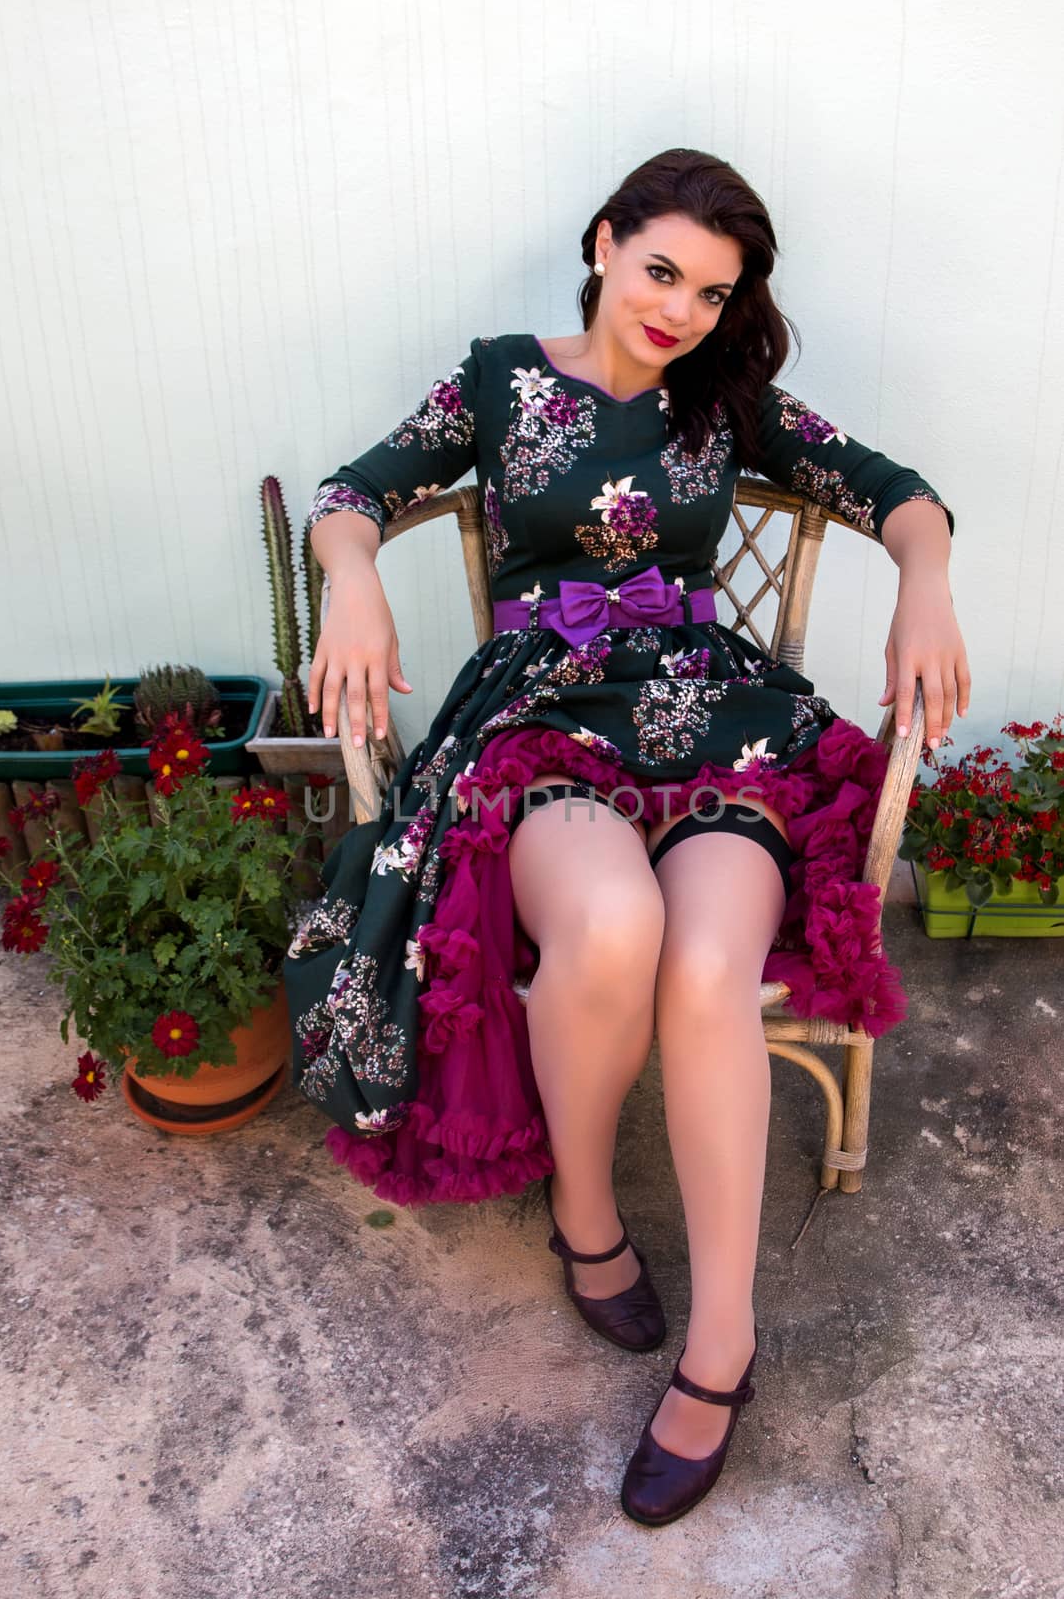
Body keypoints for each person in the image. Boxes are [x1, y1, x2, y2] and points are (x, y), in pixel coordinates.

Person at [282, 148, 969, 1525]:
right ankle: (585, 1218)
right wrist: (351, 584)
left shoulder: (728, 405)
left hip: (719, 720)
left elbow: (899, 490)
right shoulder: (496, 378)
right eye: (662, 271)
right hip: (543, 717)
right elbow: (351, 496)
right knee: (611, 928)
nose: (680, 311)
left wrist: (927, 582)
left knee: (709, 968)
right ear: (604, 244)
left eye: (713, 294)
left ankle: (725, 1345)